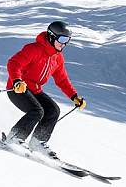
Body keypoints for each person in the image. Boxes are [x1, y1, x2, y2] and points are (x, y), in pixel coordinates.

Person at [5, 20, 86, 158]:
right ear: (51, 36)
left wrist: (74, 96)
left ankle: (37, 142)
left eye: (68, 40)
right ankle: (14, 137)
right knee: (37, 111)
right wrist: (17, 81)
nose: (64, 43)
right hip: (18, 89)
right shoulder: (34, 49)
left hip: (35, 90)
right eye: (62, 39)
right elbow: (14, 63)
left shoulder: (58, 58)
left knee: (53, 111)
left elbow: (62, 80)